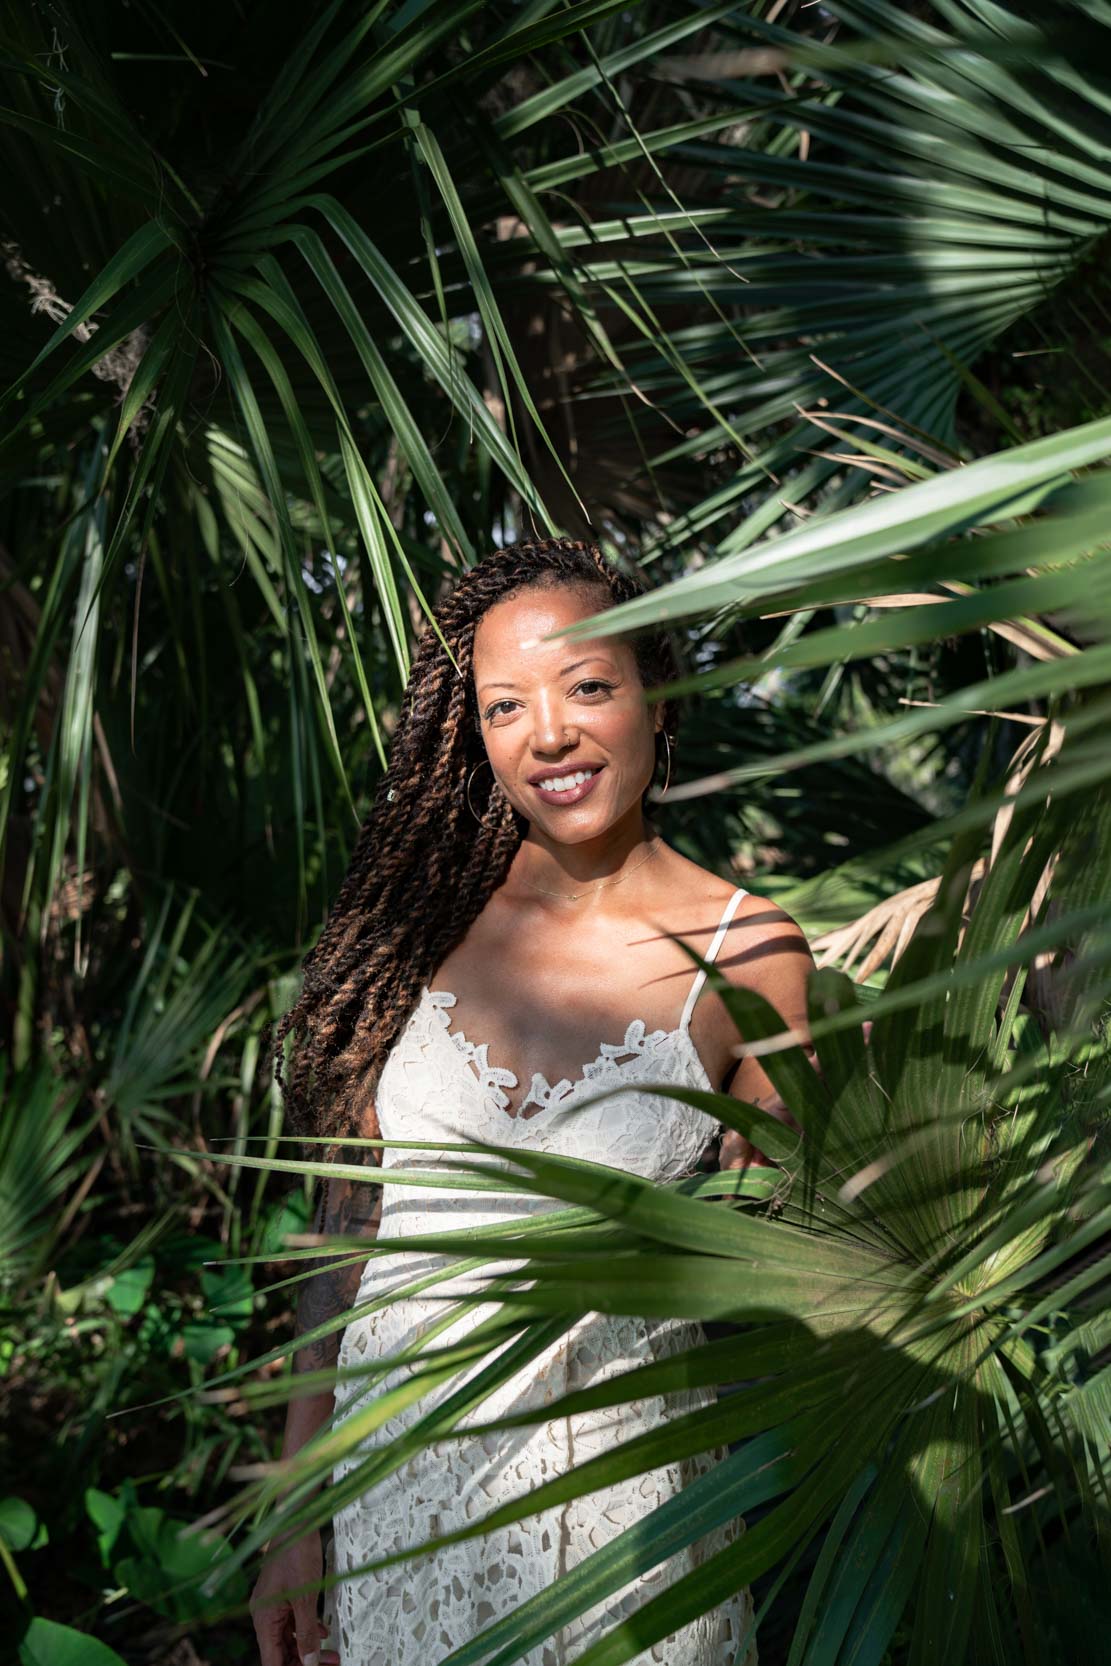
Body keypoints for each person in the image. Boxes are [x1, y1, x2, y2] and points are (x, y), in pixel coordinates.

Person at [250, 537, 813, 1666]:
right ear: (476, 734)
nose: (547, 733)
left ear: (661, 698)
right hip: (401, 1479)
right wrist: (294, 1505)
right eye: (505, 705)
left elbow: (772, 1240)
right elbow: (345, 1230)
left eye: (588, 686)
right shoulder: (411, 925)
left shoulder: (748, 951)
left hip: (628, 1493)